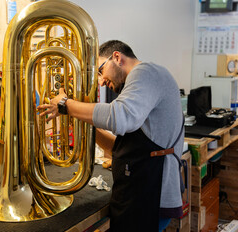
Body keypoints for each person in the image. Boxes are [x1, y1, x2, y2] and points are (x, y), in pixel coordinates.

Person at [37, 40, 184, 232]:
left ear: (117, 57)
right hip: (139, 191)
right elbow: (123, 148)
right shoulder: (143, 81)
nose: (101, 81)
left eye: (100, 70)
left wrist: (67, 104)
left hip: (150, 195)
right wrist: (81, 118)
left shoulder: (145, 72)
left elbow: (120, 118)